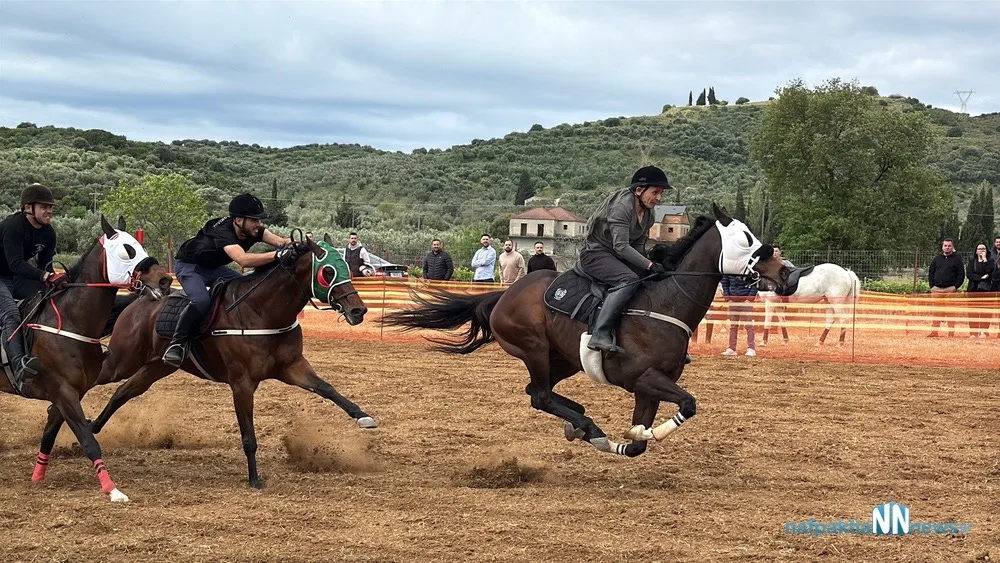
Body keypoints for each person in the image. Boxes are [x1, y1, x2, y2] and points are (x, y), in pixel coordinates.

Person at [162, 193, 292, 367]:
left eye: (259, 220)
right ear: (239, 220)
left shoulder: (253, 229)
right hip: (190, 267)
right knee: (201, 301)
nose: (258, 224)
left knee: (246, 289)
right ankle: (177, 343)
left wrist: (299, 244)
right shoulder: (223, 232)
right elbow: (243, 260)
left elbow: (281, 242)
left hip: (214, 268)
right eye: (254, 220)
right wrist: (277, 255)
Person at [579, 165, 670, 353]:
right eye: (655, 192)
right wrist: (650, 264)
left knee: (647, 279)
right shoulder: (622, 208)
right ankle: (600, 334)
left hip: (617, 255)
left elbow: (637, 245)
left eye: (661, 193)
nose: (659, 198)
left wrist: (648, 268)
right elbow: (621, 246)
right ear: (639, 190)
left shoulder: (649, 213)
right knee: (628, 280)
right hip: (595, 254)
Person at [0, 184, 67, 395]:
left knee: (50, 299)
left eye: (51, 207)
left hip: (16, 278)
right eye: (45, 206)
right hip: (3, 275)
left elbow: (45, 265)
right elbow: (16, 264)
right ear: (28, 208)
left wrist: (52, 280)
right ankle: (19, 366)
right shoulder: (13, 227)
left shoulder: (49, 233)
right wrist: (46, 276)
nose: (49, 211)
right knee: (11, 314)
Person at [927, 238, 965, 338]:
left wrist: (955, 287)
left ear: (952, 247)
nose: (947, 247)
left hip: (950, 289)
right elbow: (931, 272)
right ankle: (934, 332)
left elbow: (961, 274)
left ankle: (951, 333)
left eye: (949, 246)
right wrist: (932, 286)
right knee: (936, 312)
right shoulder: (936, 259)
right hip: (936, 290)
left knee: (950, 312)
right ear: (942, 247)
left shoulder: (957, 259)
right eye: (945, 246)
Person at [965, 243, 995, 338]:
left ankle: (984, 332)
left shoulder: (990, 261)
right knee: (973, 312)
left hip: (986, 290)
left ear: (986, 250)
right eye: (979, 248)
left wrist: (984, 259)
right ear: (976, 250)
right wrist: (981, 278)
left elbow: (989, 271)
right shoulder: (972, 261)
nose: (981, 250)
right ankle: (973, 333)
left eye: (983, 248)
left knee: (985, 311)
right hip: (973, 290)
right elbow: (969, 274)